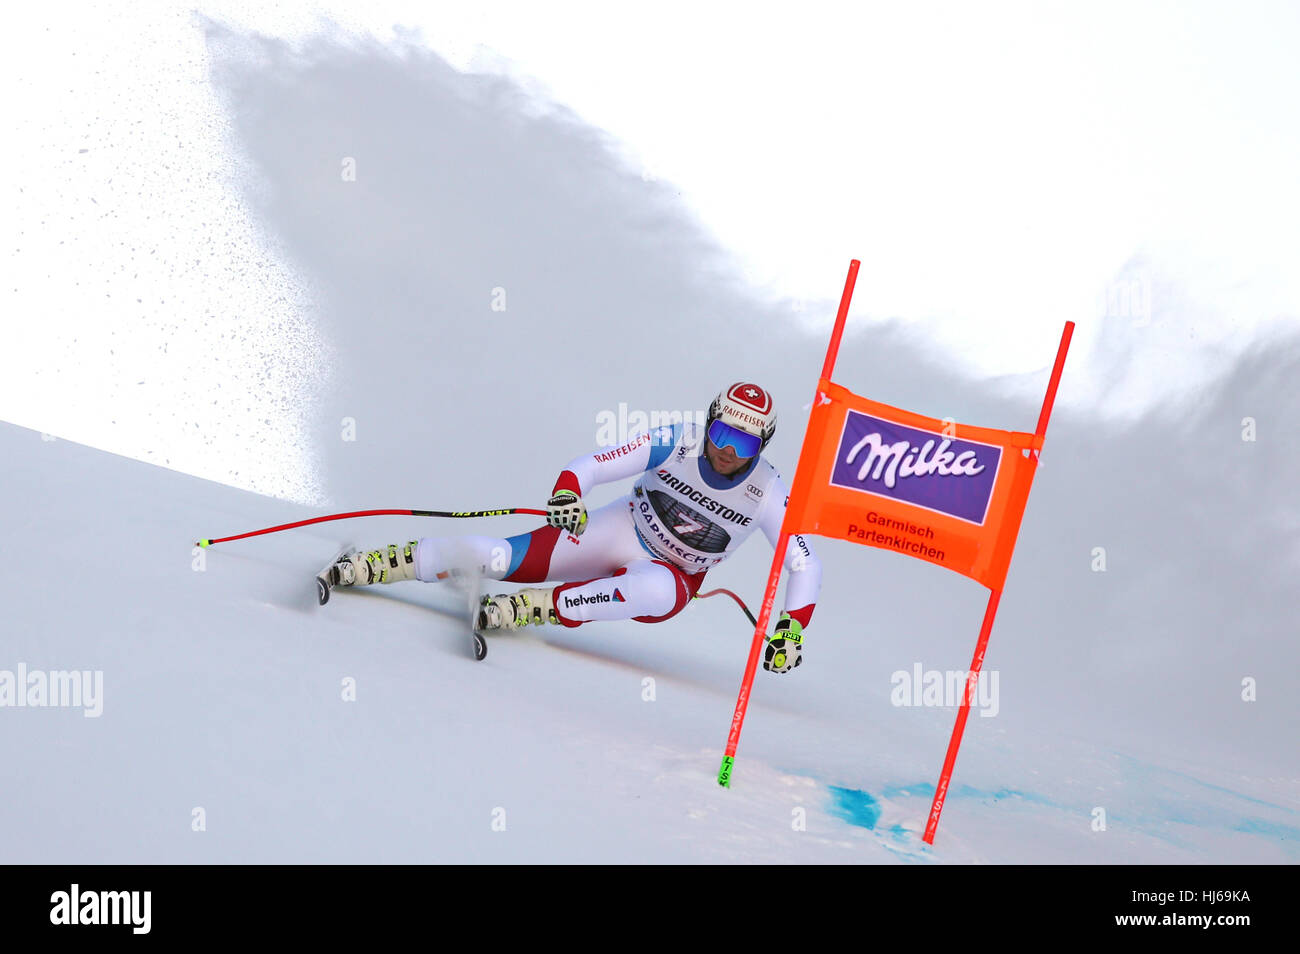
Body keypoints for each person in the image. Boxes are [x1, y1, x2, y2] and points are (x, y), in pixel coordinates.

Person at [328, 382, 822, 673]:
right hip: (619, 529)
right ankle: (379, 564)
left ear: (763, 445)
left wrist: (790, 630)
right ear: (708, 422)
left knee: (653, 590)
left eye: (744, 443)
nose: (728, 451)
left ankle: (530, 609)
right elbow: (597, 463)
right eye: (721, 433)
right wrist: (568, 494)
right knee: (500, 558)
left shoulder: (768, 490)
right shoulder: (679, 441)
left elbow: (803, 562)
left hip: (671, 576)